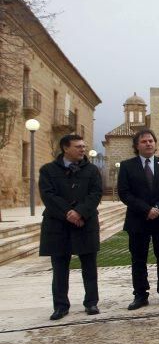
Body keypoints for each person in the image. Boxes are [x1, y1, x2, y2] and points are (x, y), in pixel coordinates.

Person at [39, 134, 102, 320]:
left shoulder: (92, 170)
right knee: (59, 267)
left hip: (86, 222)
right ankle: (60, 305)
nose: (82, 149)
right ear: (65, 148)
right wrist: (69, 213)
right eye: (78, 146)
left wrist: (80, 212)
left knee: (89, 266)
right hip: (58, 224)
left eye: (83, 146)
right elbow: (48, 195)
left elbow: (95, 193)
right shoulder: (48, 170)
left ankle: (91, 302)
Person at [118, 129, 159, 310]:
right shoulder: (127, 166)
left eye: (151, 141)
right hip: (138, 220)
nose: (148, 144)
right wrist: (147, 209)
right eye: (144, 141)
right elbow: (124, 193)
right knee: (138, 259)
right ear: (137, 146)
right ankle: (140, 295)